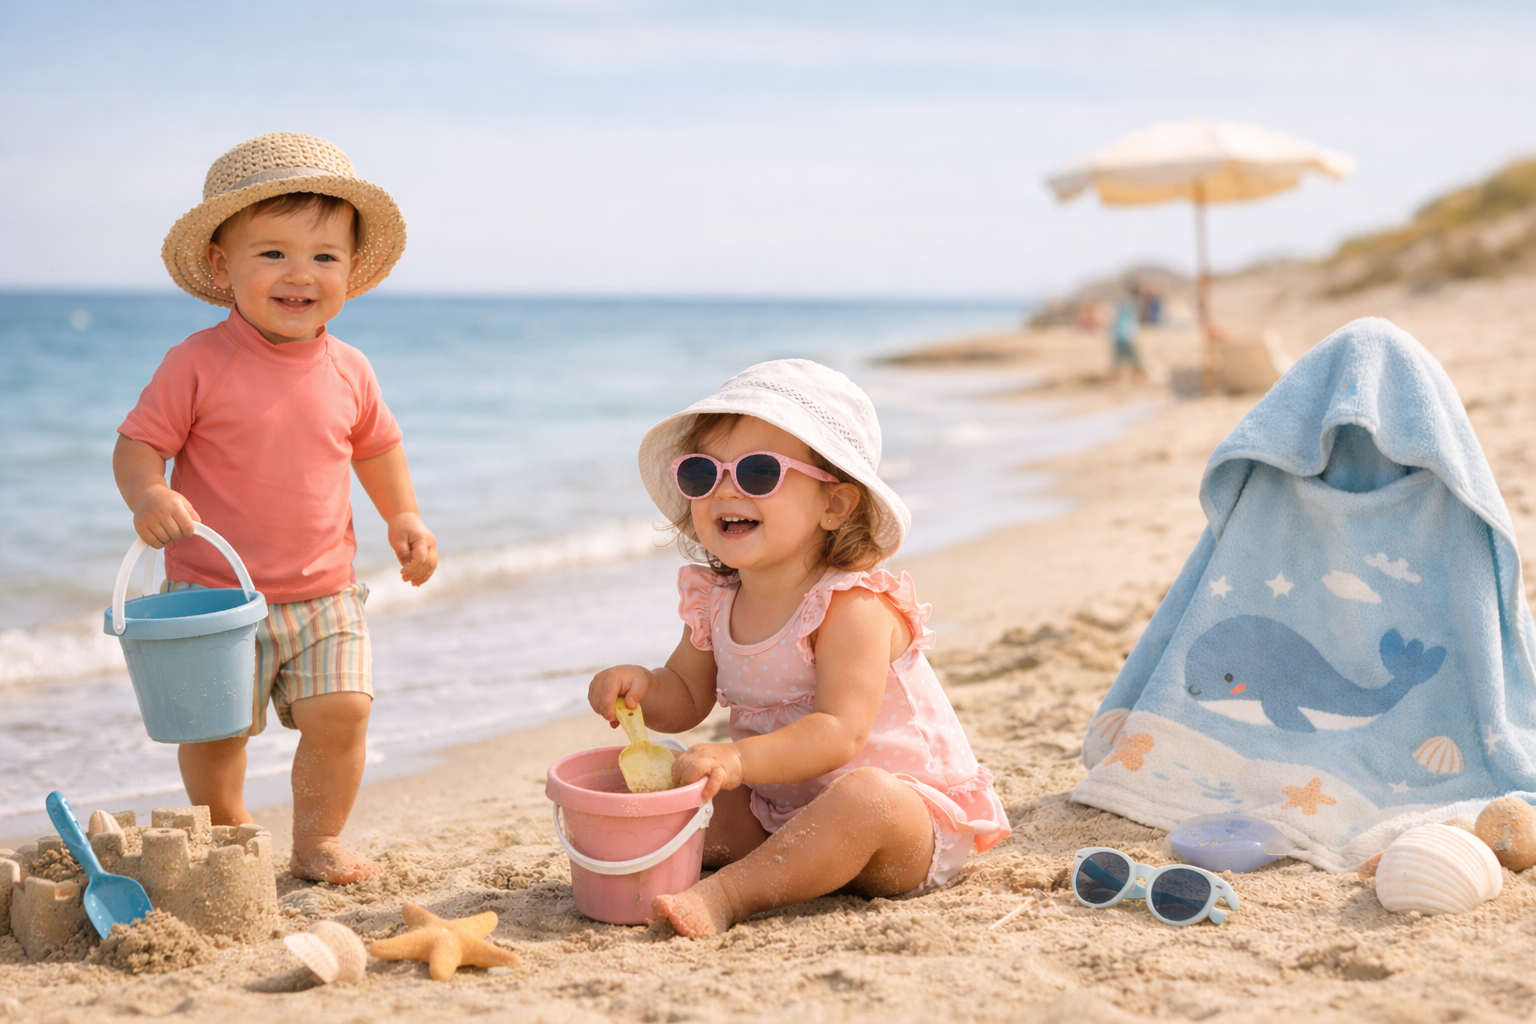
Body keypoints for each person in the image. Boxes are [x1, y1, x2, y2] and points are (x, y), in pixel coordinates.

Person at [587, 359, 1010, 936]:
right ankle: (743, 865)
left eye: (759, 472)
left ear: (834, 505)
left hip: (901, 822)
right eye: (701, 473)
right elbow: (685, 694)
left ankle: (733, 893)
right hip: (778, 813)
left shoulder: (851, 607)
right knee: (684, 783)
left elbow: (840, 732)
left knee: (863, 798)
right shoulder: (716, 600)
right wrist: (641, 687)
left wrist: (738, 760)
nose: (724, 489)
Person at [114, 134, 435, 884]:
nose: (300, 274)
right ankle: (231, 829)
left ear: (352, 269)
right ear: (221, 264)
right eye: (272, 254)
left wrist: (404, 516)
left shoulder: (350, 368)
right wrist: (150, 493)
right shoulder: (197, 362)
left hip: (326, 592)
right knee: (216, 732)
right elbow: (137, 445)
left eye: (324, 256)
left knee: (344, 712)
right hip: (213, 595)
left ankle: (317, 840)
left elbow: (377, 448)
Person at [1110, 287, 1149, 385]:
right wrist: (1131, 336)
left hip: (1119, 337)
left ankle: (1115, 382)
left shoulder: (1123, 303)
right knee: (1136, 361)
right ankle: (1139, 381)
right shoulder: (1130, 305)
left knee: (1119, 362)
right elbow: (1126, 323)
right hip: (1125, 337)